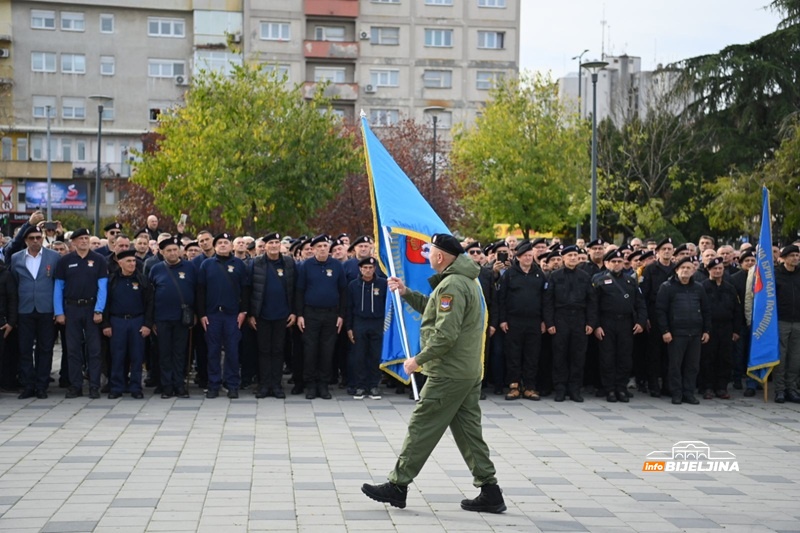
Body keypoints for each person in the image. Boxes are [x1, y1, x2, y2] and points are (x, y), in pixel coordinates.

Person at [361, 233, 505, 514]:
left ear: (440, 256)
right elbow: (435, 311)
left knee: (422, 426)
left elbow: (445, 334)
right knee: (468, 433)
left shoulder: (452, 285)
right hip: (466, 370)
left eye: (430, 251)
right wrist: (406, 293)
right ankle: (490, 490)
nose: (427, 256)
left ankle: (398, 484)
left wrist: (418, 359)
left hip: (449, 372)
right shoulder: (464, 280)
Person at [54, 228, 108, 399]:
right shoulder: (65, 261)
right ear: (73, 242)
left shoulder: (98, 260)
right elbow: (58, 288)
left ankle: (94, 386)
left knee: (94, 350)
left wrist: (99, 309)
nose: (84, 241)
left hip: (91, 308)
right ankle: (75, 385)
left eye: (86, 238)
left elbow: (103, 288)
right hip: (72, 309)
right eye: (81, 239)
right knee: (73, 349)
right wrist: (59, 312)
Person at [197, 232, 250, 399]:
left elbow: (246, 290)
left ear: (231, 246)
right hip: (212, 315)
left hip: (232, 315)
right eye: (219, 242)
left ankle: (232, 384)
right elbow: (200, 291)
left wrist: (243, 312)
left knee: (232, 351)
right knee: (212, 351)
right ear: (214, 245)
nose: (222, 245)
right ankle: (214, 384)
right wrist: (202, 314)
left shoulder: (239, 265)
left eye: (226, 242)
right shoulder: (206, 265)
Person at [295, 234, 347, 399]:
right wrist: (300, 314)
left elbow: (343, 291)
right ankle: (310, 384)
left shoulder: (337, 266)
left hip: (331, 314)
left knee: (327, 350)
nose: (323, 249)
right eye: (319, 246)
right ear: (313, 249)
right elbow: (300, 291)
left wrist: (341, 315)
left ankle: (323, 385)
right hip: (311, 314)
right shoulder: (306, 266)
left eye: (325, 246)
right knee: (310, 350)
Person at [592, 249, 647, 403]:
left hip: (626, 324)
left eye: (619, 262)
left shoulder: (630, 281)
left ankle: (621, 388)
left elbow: (640, 303)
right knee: (607, 357)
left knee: (625, 357)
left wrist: (641, 322)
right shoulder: (599, 280)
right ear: (606, 263)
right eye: (613, 262)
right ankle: (609, 389)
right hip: (607, 323)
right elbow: (593, 306)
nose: (617, 264)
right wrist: (596, 325)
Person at [655, 256, 711, 405]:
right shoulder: (667, 287)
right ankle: (676, 393)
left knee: (692, 366)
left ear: (693, 270)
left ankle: (688, 393)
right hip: (676, 334)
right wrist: (665, 330)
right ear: (676, 270)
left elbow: (706, 310)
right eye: (682, 268)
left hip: (695, 333)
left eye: (688, 268)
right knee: (675, 365)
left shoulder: (698, 288)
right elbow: (660, 311)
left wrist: (706, 330)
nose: (685, 270)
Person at [544, 245, 597, 402]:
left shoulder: (585, 276)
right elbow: (548, 301)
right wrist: (549, 322)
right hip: (560, 318)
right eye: (570, 255)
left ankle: (574, 389)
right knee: (559, 355)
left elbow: (591, 301)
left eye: (575, 255)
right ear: (563, 258)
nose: (573, 258)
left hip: (579, 319)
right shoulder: (554, 276)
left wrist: (590, 322)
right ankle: (560, 389)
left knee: (578, 355)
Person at [496, 240, 546, 401]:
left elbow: (545, 299)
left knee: (532, 355)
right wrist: (503, 320)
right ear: (518, 257)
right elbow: (501, 299)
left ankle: (530, 386)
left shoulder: (539, 274)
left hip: (534, 321)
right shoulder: (510, 274)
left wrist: (544, 320)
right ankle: (514, 385)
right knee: (513, 354)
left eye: (531, 256)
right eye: (525, 256)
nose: (528, 259)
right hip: (513, 320)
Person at [248, 232, 296, 399]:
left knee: (278, 351)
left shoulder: (289, 263)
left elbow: (294, 289)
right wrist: (251, 314)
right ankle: (264, 385)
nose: (274, 246)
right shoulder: (256, 263)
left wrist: (294, 312)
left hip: (282, 315)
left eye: (276, 242)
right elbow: (249, 290)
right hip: (262, 315)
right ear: (265, 246)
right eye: (271, 243)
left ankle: (276, 385)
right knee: (263, 351)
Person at [11, 226, 57, 399]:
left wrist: (57, 309)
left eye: (39, 237)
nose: (36, 241)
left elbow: (57, 284)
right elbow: (14, 283)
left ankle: (41, 385)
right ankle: (28, 384)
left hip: (46, 309)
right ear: (25, 240)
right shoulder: (16, 258)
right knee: (24, 349)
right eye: (32, 238)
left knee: (45, 349)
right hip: (24, 309)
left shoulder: (54, 257)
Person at [149, 236, 197, 399]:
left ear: (180, 251)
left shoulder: (190, 267)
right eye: (168, 250)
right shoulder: (156, 269)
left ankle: (179, 385)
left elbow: (197, 292)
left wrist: (195, 314)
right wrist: (152, 320)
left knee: (179, 353)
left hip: (182, 318)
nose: (172, 253)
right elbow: (151, 296)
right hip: (162, 319)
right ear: (162, 253)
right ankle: (166, 386)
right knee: (164, 353)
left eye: (175, 249)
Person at [102, 250, 154, 399]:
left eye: (133, 261)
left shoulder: (143, 280)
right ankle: (116, 387)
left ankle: (136, 387)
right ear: (120, 263)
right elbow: (105, 304)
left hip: (137, 321)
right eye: (128, 261)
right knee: (117, 356)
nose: (132, 264)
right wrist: (106, 324)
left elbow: (150, 304)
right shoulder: (111, 280)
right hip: (117, 321)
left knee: (137, 356)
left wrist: (147, 325)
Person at [700, 257, 742, 400]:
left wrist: (736, 330)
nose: (718, 271)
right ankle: (708, 387)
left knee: (725, 358)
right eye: (714, 269)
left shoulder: (730, 288)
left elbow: (737, 310)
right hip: (710, 327)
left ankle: (722, 387)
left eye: (720, 269)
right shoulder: (702, 287)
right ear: (709, 270)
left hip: (726, 328)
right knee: (708, 358)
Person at [346, 257, 387, 400]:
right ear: (360, 269)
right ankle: (360, 386)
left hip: (377, 322)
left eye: (370, 267)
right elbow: (349, 307)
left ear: (375, 268)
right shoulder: (353, 285)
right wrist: (349, 327)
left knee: (375, 355)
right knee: (359, 355)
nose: (368, 270)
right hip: (359, 322)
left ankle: (374, 385)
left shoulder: (383, 284)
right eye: (365, 268)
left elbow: (387, 306)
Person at [774, 245, 800, 403]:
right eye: (792, 256)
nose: (795, 258)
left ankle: (792, 388)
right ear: (783, 258)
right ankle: (780, 389)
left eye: (797, 255)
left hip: (798, 321)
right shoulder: (776, 275)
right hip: (781, 320)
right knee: (781, 357)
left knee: (796, 358)